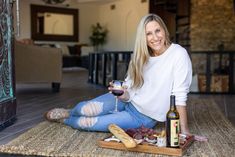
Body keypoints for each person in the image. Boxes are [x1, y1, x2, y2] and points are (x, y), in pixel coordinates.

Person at [45, 14, 206, 141]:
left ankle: (66, 120)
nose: (155, 37)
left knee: (89, 123)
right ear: (143, 37)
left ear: (164, 30)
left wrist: (184, 131)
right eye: (148, 33)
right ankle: (70, 111)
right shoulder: (140, 56)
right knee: (84, 109)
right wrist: (123, 94)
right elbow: (130, 87)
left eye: (158, 31)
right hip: (126, 102)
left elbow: (180, 96)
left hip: (142, 116)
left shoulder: (178, 54)